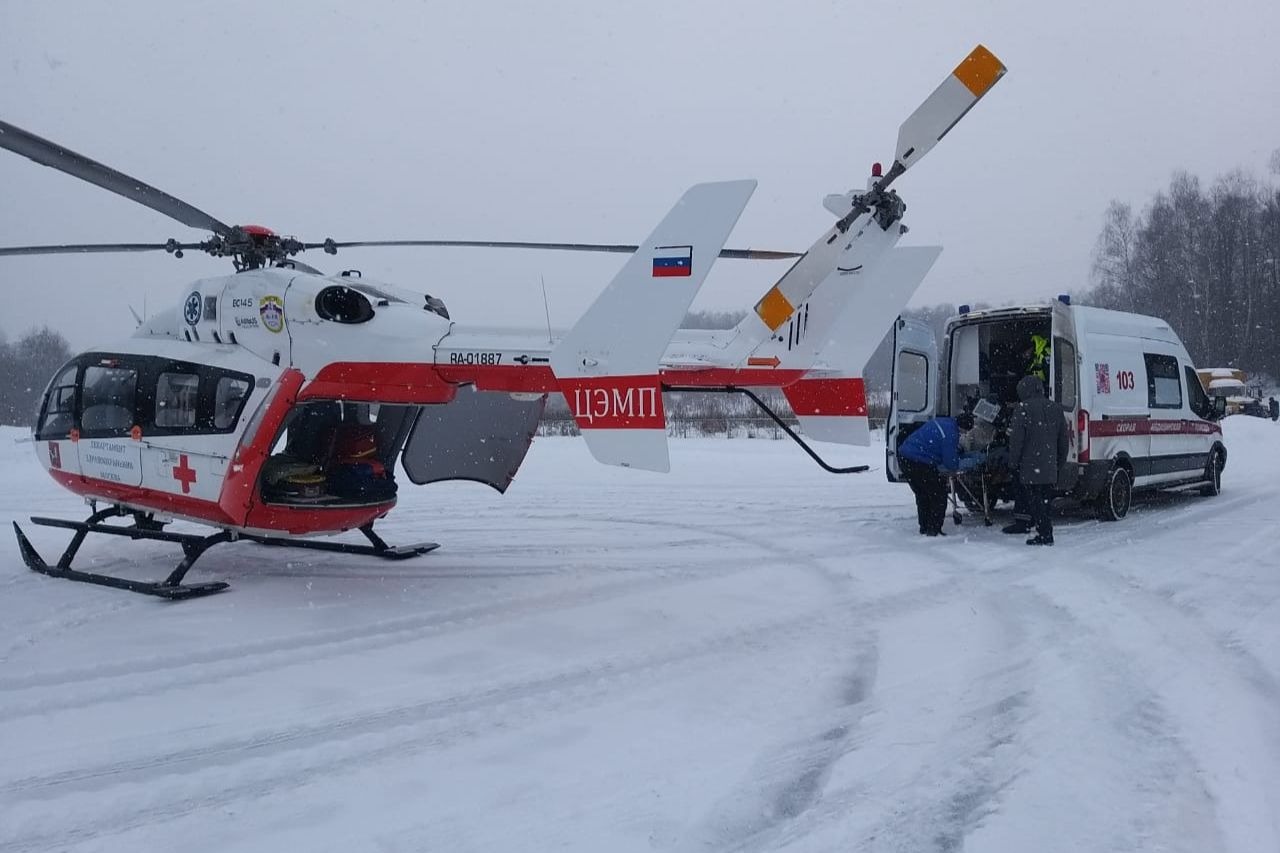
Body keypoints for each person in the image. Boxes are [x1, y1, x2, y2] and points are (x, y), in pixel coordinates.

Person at [1004, 375, 1068, 545]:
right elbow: (1063, 440)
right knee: (1045, 501)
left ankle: (1045, 534)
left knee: (1035, 501)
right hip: (1049, 465)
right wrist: (1059, 462)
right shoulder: (1056, 408)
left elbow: (1016, 440)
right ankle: (1043, 530)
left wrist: (1013, 463)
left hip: (1030, 465)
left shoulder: (1023, 409)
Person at [898, 413, 975, 536]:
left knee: (923, 494)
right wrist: (961, 458)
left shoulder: (943, 421)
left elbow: (937, 443)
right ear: (963, 427)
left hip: (904, 456)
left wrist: (953, 449)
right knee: (938, 496)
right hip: (919, 461)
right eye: (964, 432)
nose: (963, 434)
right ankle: (933, 530)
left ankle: (924, 527)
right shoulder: (951, 434)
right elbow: (951, 464)